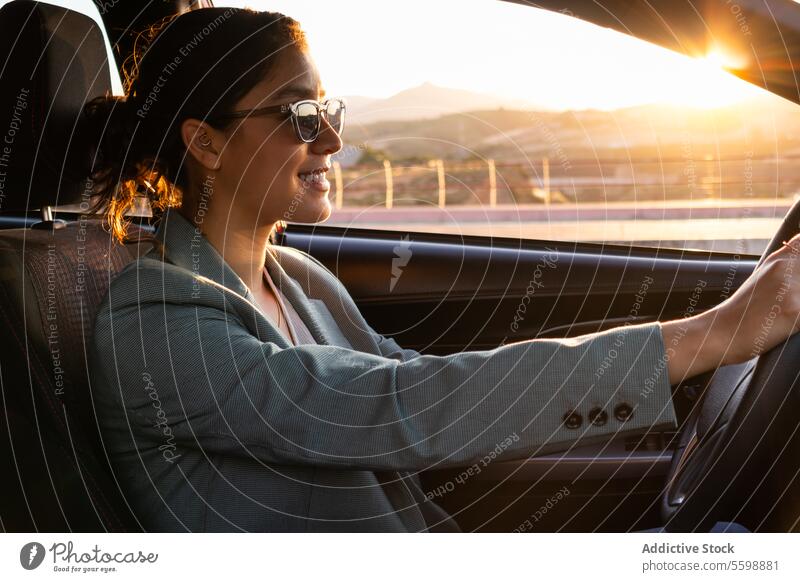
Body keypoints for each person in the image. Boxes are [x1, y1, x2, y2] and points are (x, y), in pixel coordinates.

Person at [84, 7, 800, 532]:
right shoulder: (152, 329)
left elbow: (424, 388)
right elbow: (406, 404)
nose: (333, 138)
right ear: (206, 142)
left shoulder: (298, 277)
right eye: (300, 115)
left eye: (328, 108)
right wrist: (716, 333)